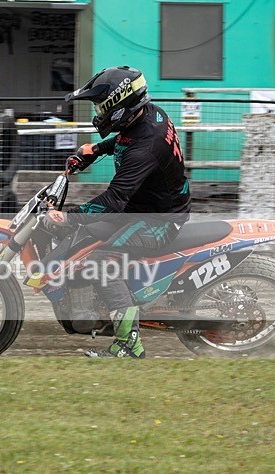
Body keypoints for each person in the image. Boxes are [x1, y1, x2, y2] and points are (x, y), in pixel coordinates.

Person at [48, 66, 191, 358]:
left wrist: (68, 217)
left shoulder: (146, 146)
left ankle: (129, 344)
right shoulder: (150, 116)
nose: (98, 112)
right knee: (86, 237)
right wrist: (98, 150)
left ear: (120, 105)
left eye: (102, 106)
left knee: (100, 262)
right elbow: (126, 138)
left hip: (158, 220)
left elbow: (114, 199)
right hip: (143, 208)